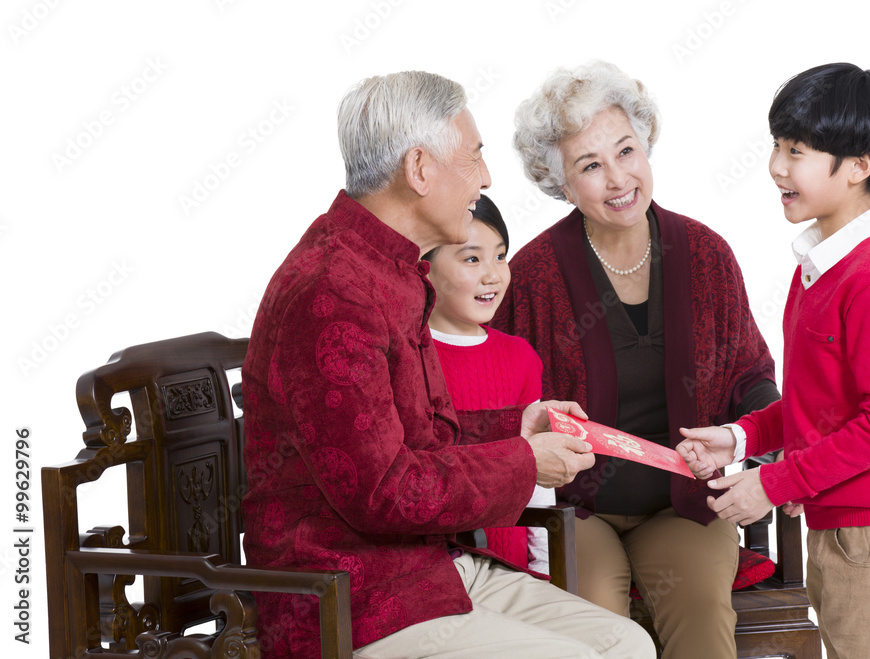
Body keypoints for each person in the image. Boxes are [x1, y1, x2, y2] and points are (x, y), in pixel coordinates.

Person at [240, 69, 655, 659]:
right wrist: (524, 462)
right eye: (474, 158)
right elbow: (385, 492)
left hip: (427, 568)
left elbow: (408, 441)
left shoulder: (385, 267)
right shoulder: (332, 292)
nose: (485, 178)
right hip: (351, 596)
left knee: (626, 644)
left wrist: (517, 428)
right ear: (419, 169)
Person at [491, 61, 779, 658]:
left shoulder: (704, 253)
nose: (617, 178)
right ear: (561, 183)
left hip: (683, 502)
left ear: (647, 148)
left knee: (700, 615)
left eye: (626, 151)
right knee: (595, 628)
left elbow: (752, 376)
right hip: (581, 507)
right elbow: (501, 397)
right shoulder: (534, 275)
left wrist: (770, 448)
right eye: (589, 165)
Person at [678, 63, 870, 659]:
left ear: (859, 166)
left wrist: (771, 485)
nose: (778, 166)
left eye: (797, 150)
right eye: (776, 146)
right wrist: (739, 436)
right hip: (845, 526)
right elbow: (821, 406)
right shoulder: (821, 266)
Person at [424, 194, 555, 574]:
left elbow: (537, 473)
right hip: (436, 572)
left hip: (513, 570)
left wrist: (545, 568)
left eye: (500, 256)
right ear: (425, 268)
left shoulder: (520, 357)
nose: (493, 275)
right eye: (471, 259)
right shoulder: (409, 353)